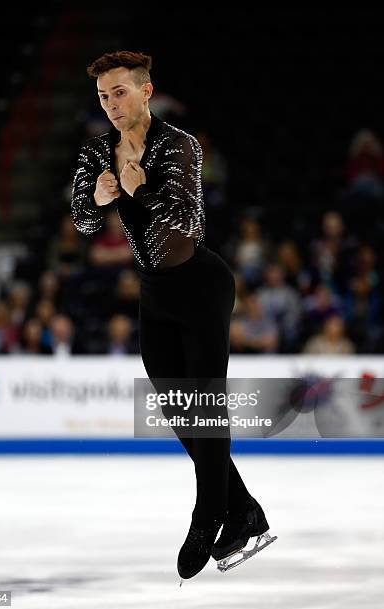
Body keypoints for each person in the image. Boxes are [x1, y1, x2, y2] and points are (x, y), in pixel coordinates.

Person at [70, 50, 271, 580]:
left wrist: (136, 191)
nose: (111, 104)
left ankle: (208, 516)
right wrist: (95, 197)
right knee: (178, 409)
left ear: (146, 91)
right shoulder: (98, 152)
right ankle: (245, 509)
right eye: (102, 96)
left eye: (119, 92)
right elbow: (85, 224)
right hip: (156, 293)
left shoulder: (179, 144)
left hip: (202, 284)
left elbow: (185, 216)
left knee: (205, 404)